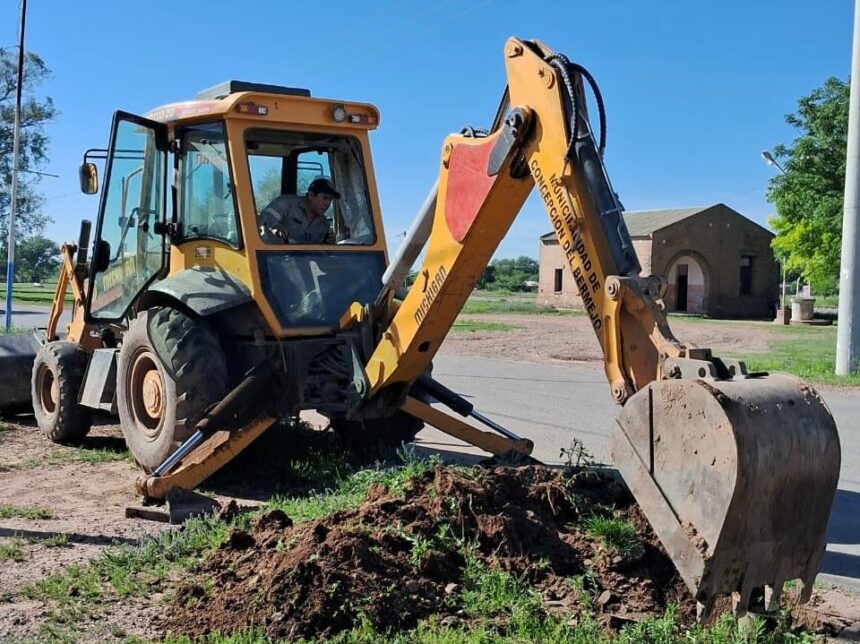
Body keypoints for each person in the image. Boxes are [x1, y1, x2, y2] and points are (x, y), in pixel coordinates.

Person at [259, 176, 339, 244]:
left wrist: (329, 244)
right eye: (325, 198)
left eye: (330, 199)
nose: (328, 204)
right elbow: (266, 216)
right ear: (311, 195)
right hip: (266, 257)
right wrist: (275, 226)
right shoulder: (287, 203)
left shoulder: (324, 224)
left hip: (297, 261)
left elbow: (320, 254)